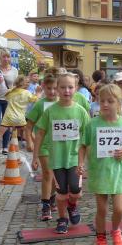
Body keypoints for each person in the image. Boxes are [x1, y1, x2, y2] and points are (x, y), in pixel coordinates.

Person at [78, 84, 122, 245]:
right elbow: (83, 145)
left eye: (110, 101)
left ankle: (116, 230)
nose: (105, 104)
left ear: (119, 103)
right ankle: (101, 238)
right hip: (99, 172)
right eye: (102, 100)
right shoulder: (92, 124)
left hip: (118, 173)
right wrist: (80, 163)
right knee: (102, 210)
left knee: (119, 209)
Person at [32, 73, 90, 234]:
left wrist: (88, 159)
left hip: (75, 159)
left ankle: (73, 205)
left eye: (70, 87)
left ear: (76, 88)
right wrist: (35, 156)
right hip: (56, 159)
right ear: (57, 89)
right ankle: (63, 218)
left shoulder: (80, 111)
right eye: (63, 87)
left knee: (76, 191)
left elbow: (88, 136)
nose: (66, 91)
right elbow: (40, 133)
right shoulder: (50, 111)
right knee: (61, 192)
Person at [0, 75, 37, 164]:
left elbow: (6, 97)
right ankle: (38, 150)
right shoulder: (27, 93)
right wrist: (38, 93)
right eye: (27, 82)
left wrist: (13, 89)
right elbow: (35, 100)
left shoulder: (10, 92)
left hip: (8, 118)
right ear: (23, 83)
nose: (28, 84)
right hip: (20, 119)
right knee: (30, 133)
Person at [26, 74, 59, 221]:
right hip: (44, 145)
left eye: (55, 88)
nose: (52, 92)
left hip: (59, 146)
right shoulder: (40, 104)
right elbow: (29, 126)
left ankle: (52, 196)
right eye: (49, 88)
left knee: (55, 176)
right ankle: (45, 205)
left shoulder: (63, 104)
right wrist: (30, 142)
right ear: (43, 88)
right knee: (47, 173)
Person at [0, 51, 18, 152]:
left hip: (8, 99)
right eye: (4, 57)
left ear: (10, 58)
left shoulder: (14, 70)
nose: (6, 59)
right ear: (0, 58)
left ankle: (5, 146)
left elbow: (16, 85)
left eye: (8, 57)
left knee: (7, 122)